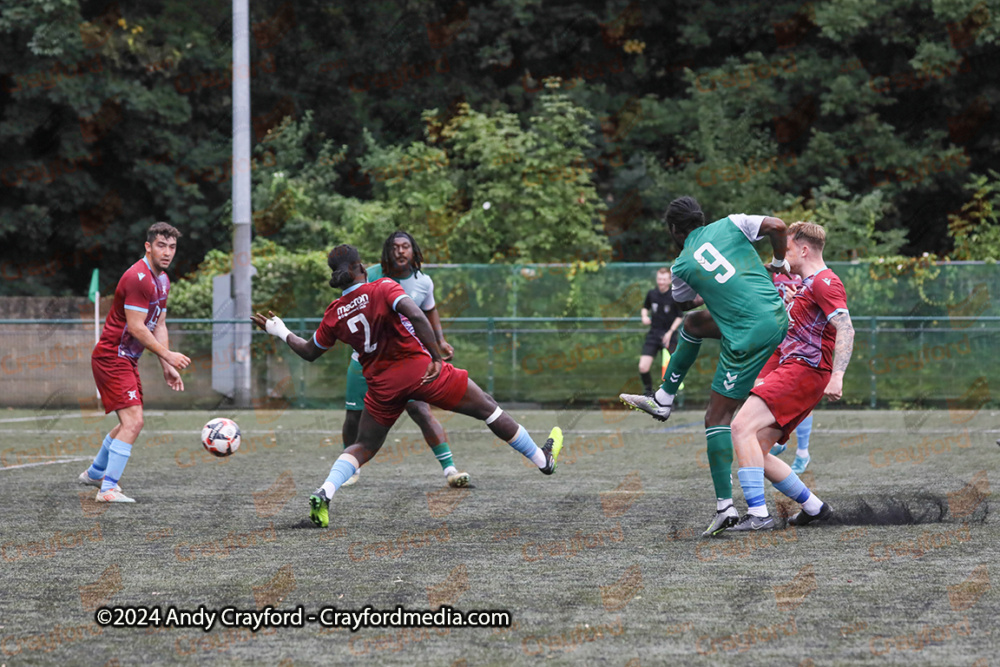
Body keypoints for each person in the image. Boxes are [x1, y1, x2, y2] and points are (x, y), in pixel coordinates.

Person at [252, 244, 563, 528]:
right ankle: (542, 460)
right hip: (419, 371)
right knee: (487, 407)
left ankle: (325, 491)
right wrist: (435, 356)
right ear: (360, 267)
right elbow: (415, 313)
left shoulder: (334, 313)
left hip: (381, 385)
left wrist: (279, 330)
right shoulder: (383, 286)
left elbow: (309, 352)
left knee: (365, 445)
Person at [619, 197, 820, 537]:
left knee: (717, 418)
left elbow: (684, 301)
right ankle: (665, 397)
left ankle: (729, 508)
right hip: (773, 315)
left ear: (673, 230)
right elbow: (777, 226)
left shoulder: (681, 265)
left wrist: (708, 289)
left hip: (747, 332)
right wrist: (775, 261)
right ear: (701, 218)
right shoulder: (731, 222)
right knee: (694, 326)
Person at [730, 221, 854, 528]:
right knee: (756, 447)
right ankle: (815, 507)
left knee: (739, 426)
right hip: (797, 370)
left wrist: (838, 376)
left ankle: (758, 515)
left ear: (803, 249)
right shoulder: (806, 284)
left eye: (785, 249)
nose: (781, 255)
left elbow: (846, 328)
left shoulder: (825, 282)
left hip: (805, 371)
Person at [340, 231, 469, 489]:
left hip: (404, 363)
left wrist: (440, 341)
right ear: (388, 251)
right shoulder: (372, 275)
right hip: (365, 362)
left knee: (421, 410)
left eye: (406, 246)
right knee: (354, 416)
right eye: (396, 247)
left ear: (414, 251)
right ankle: (348, 469)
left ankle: (450, 470)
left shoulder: (423, 282)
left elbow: (430, 311)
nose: (401, 251)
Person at [79, 222, 190, 502]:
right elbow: (138, 328)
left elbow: (158, 324)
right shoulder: (138, 277)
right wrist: (168, 354)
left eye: (172, 247)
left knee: (128, 422)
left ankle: (95, 473)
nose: (167, 252)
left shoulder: (162, 280)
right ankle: (108, 489)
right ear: (148, 247)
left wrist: (167, 367)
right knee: (134, 422)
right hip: (112, 357)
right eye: (161, 246)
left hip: (126, 359)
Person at [768, 272, 813, 474]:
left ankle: (803, 453)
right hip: (773, 336)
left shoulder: (811, 272)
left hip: (798, 341)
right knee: (762, 390)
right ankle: (778, 439)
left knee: (802, 398)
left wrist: (796, 301)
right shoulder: (771, 268)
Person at [638, 268, 683, 396]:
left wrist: (670, 333)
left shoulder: (674, 295)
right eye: (659, 278)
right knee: (643, 367)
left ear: (669, 280)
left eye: (664, 279)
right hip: (654, 334)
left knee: (672, 370)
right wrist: (644, 316)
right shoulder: (651, 294)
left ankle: (669, 397)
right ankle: (648, 393)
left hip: (670, 336)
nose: (661, 281)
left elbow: (680, 316)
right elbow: (645, 308)